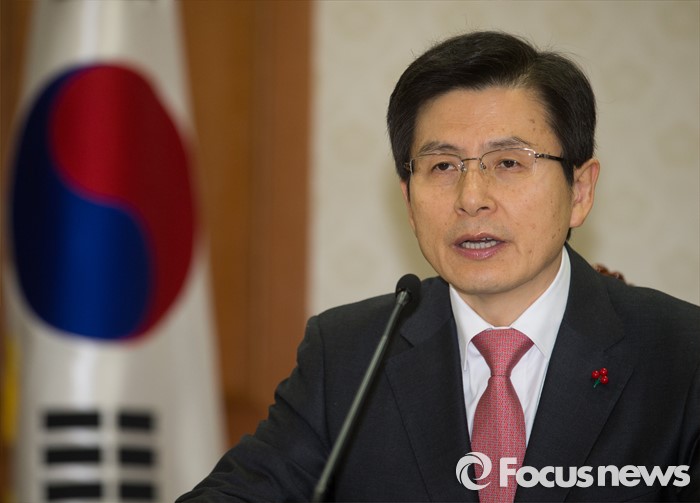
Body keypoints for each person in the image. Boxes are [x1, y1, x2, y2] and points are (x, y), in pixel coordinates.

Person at [177, 31, 700, 502]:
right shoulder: (350, 355)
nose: (471, 198)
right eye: (443, 165)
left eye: (508, 162)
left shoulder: (682, 355)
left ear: (579, 191)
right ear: (408, 200)